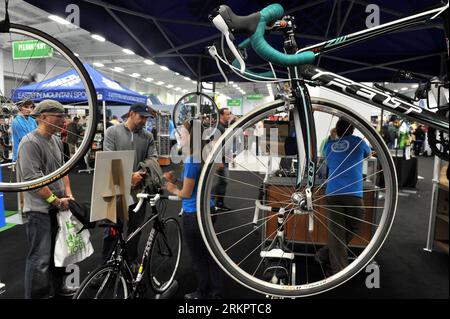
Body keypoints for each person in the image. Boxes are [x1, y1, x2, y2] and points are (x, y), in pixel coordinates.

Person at [16, 99, 75, 298]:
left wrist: (68, 193)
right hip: (39, 210)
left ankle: (57, 289)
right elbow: (34, 181)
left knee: (59, 252)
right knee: (39, 258)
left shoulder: (56, 140)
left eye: (63, 116)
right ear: (42, 117)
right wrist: (56, 201)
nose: (63, 120)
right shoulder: (29, 143)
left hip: (58, 206)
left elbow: (63, 169)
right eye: (58, 116)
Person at [165, 119, 224, 299]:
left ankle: (203, 291)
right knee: (210, 254)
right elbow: (195, 186)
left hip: (194, 214)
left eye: (182, 134)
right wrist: (176, 181)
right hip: (208, 210)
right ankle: (215, 292)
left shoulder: (191, 160)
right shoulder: (204, 156)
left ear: (192, 137)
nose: (179, 137)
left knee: (199, 257)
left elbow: (186, 192)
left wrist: (173, 188)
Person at [101, 103, 158, 266]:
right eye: (142, 117)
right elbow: (108, 158)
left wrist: (137, 174)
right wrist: (128, 177)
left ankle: (130, 260)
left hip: (138, 190)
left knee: (135, 229)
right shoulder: (112, 132)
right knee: (112, 230)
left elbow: (152, 159)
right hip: (116, 189)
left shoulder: (148, 136)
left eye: (147, 118)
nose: (144, 121)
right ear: (131, 114)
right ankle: (106, 265)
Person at [315, 119, 371, 276]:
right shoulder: (358, 142)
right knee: (354, 226)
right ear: (352, 130)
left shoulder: (328, 145)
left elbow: (324, 156)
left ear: (336, 130)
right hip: (353, 193)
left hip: (333, 194)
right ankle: (338, 273)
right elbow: (368, 154)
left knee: (336, 234)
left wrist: (334, 138)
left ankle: (324, 254)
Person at [212, 108, 231, 211]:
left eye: (229, 114)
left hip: (224, 158)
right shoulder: (219, 128)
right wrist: (219, 160)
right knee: (224, 180)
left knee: (223, 181)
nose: (229, 116)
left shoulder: (224, 126)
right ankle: (212, 199)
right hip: (219, 160)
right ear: (221, 115)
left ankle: (216, 201)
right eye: (227, 114)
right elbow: (214, 144)